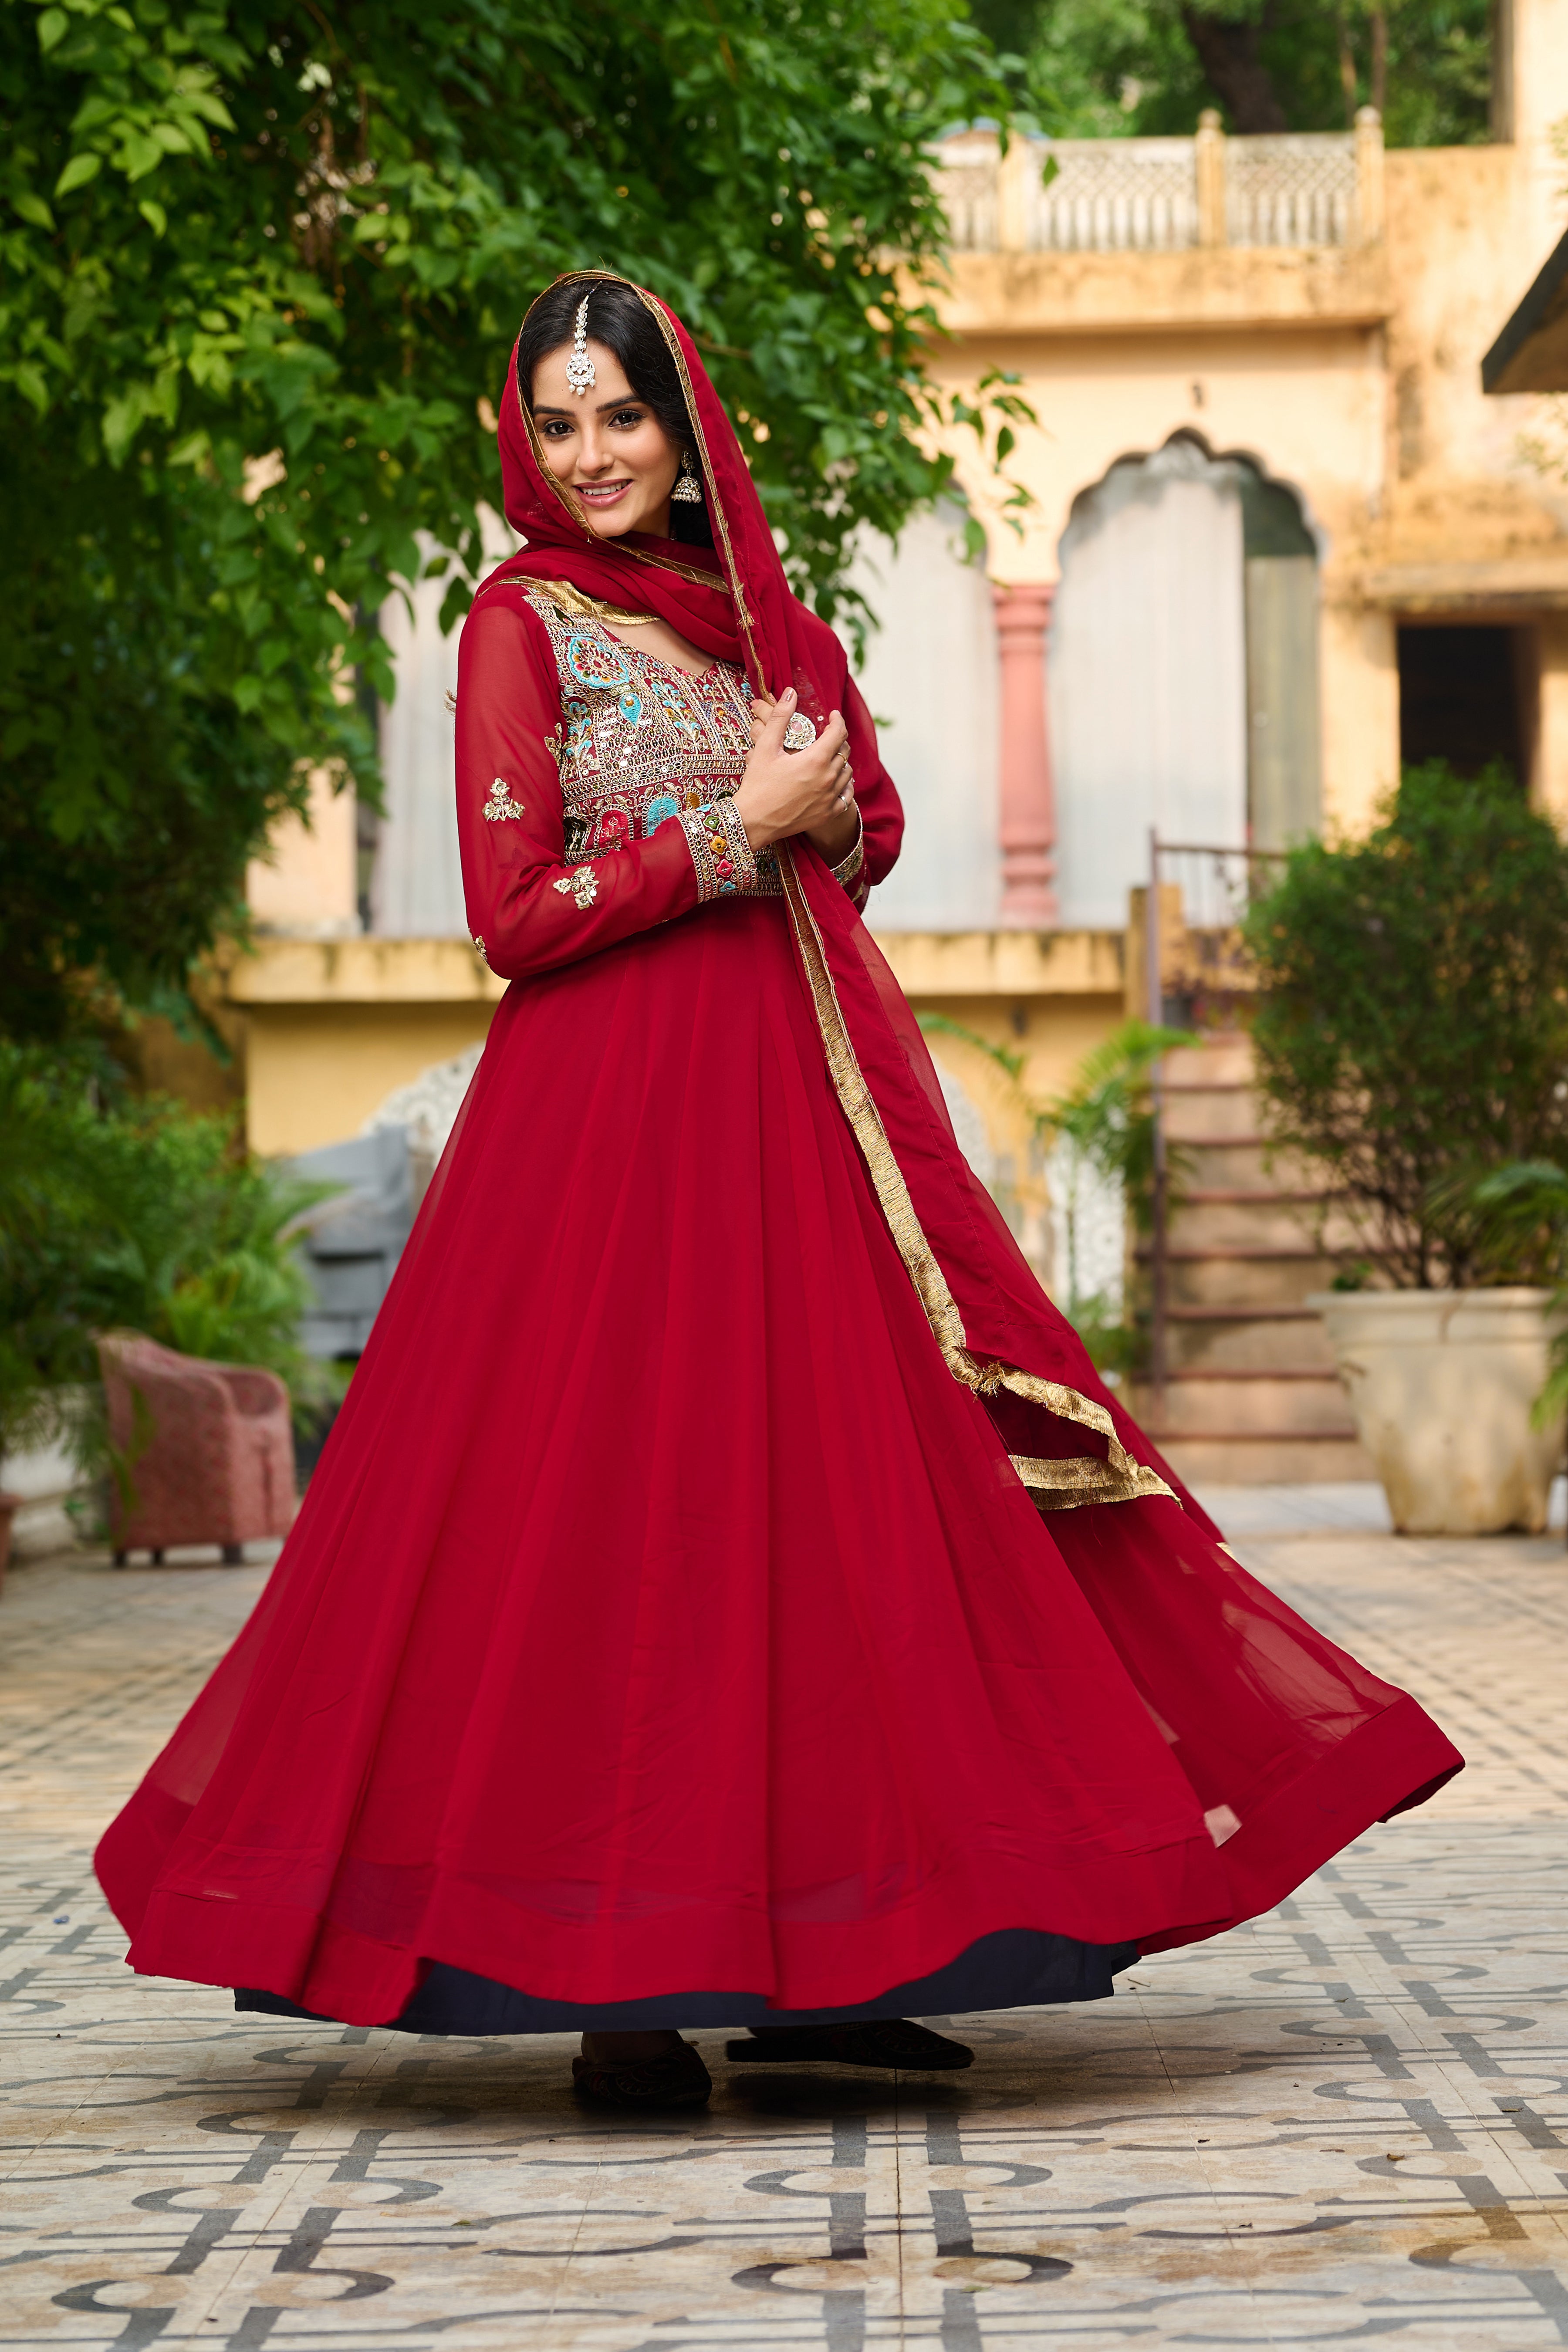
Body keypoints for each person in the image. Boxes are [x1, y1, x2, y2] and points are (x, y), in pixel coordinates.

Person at [95, 271, 1462, 2113]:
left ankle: (846, 1959)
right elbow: (516, 919)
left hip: (802, 1118)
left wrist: (817, 812)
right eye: (559, 424)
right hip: (600, 1137)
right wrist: (730, 831)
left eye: (622, 417)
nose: (591, 455)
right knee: (617, 1519)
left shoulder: (765, 620)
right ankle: (623, 1987)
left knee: (828, 1519)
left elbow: (868, 825)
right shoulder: (519, 625)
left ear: (683, 430)